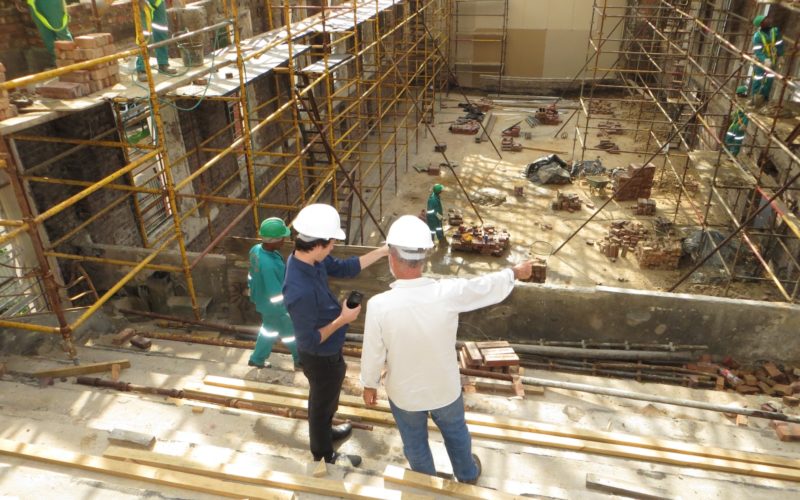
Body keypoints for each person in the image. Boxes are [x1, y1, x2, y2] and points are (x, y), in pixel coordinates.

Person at [360, 215, 533, 484]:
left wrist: (369, 384)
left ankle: (425, 481)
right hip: (445, 389)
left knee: (414, 442)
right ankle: (467, 475)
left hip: (405, 394)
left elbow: (373, 352)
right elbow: (484, 287)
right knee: (456, 433)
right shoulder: (447, 293)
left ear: (391, 257)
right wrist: (514, 271)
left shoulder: (380, 305)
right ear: (425, 257)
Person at [283, 203, 389, 467]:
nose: (333, 248)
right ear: (317, 244)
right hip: (319, 355)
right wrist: (343, 319)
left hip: (330, 350)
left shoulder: (310, 257)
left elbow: (345, 268)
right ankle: (323, 453)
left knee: (327, 398)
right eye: (331, 244)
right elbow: (307, 340)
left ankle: (327, 431)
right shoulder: (299, 290)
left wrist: (383, 251)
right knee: (320, 402)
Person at [247, 217, 300, 370]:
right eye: (282, 237)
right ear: (272, 241)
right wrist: (286, 310)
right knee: (291, 332)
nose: (284, 239)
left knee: (269, 330)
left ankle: (257, 359)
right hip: (274, 306)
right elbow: (275, 293)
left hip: (262, 300)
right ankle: (300, 360)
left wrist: (252, 289)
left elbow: (251, 274)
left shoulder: (256, 250)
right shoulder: (268, 265)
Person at [136, 0, 180, 81]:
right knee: (145, 35)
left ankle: (163, 64)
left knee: (161, 30)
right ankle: (142, 69)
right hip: (143, 1)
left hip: (158, 1)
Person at [19, 0, 73, 66]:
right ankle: (57, 63)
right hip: (34, 3)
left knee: (60, 30)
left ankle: (72, 59)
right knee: (46, 35)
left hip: (50, 2)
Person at [750, 14, 784, 107]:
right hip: (761, 61)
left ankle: (764, 98)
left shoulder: (775, 31)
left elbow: (779, 44)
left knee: (769, 79)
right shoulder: (757, 36)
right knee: (758, 79)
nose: (768, 20)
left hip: (772, 60)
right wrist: (764, 60)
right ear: (761, 24)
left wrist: (781, 56)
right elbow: (758, 50)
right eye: (765, 20)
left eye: (767, 18)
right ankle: (754, 98)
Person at [724, 86, 749, 157]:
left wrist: (744, 124)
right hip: (734, 124)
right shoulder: (740, 103)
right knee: (729, 138)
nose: (736, 97)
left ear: (739, 95)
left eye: (737, 95)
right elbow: (738, 112)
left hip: (740, 125)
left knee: (737, 141)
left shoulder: (746, 104)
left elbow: (747, 115)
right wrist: (733, 114)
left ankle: (733, 155)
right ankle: (726, 151)